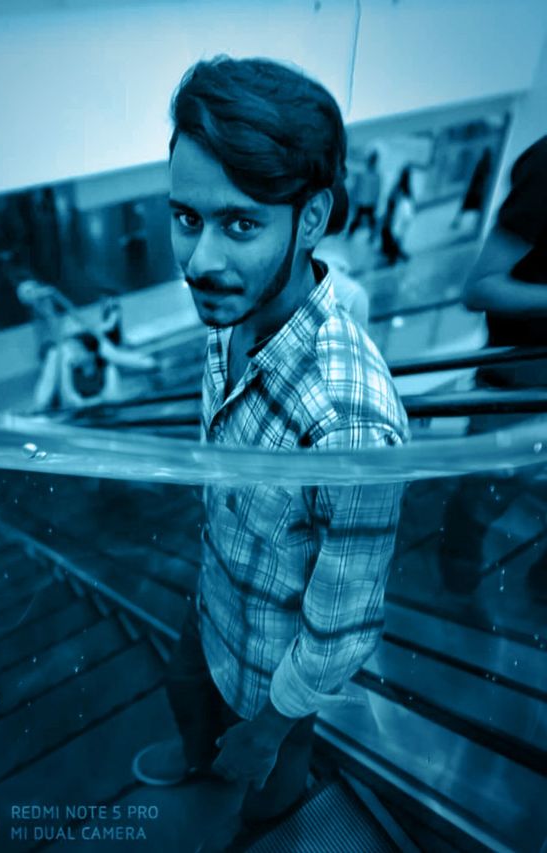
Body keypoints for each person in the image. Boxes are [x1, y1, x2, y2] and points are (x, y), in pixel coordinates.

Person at [130, 56, 409, 847]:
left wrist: (270, 729)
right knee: (185, 693)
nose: (199, 262)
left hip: (274, 678)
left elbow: (343, 627)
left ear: (311, 218)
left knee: (268, 807)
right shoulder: (235, 311)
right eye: (187, 218)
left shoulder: (351, 422)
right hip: (213, 601)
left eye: (241, 224)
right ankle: (197, 757)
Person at [439, 135, 547, 596]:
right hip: (520, 383)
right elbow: (479, 288)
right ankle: (455, 588)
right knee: (486, 493)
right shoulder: (545, 166)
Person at [451, 146, 493, 230]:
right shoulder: (486, 164)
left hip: (475, 189)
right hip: (479, 190)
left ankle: (459, 222)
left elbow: (477, 176)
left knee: (469, 207)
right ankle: (465, 223)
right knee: (476, 208)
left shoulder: (483, 164)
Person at [380, 166, 415, 266]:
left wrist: (390, 214)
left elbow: (391, 200)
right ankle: (394, 254)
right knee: (396, 235)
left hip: (395, 215)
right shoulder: (407, 190)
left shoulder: (398, 188)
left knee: (392, 234)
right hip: (400, 216)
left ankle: (392, 256)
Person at [347, 150, 381, 240]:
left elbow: (376, 191)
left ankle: (371, 237)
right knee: (358, 219)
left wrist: (376, 201)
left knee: (369, 220)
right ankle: (350, 235)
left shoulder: (375, 176)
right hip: (363, 201)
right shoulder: (364, 175)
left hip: (367, 202)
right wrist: (354, 199)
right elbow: (356, 188)